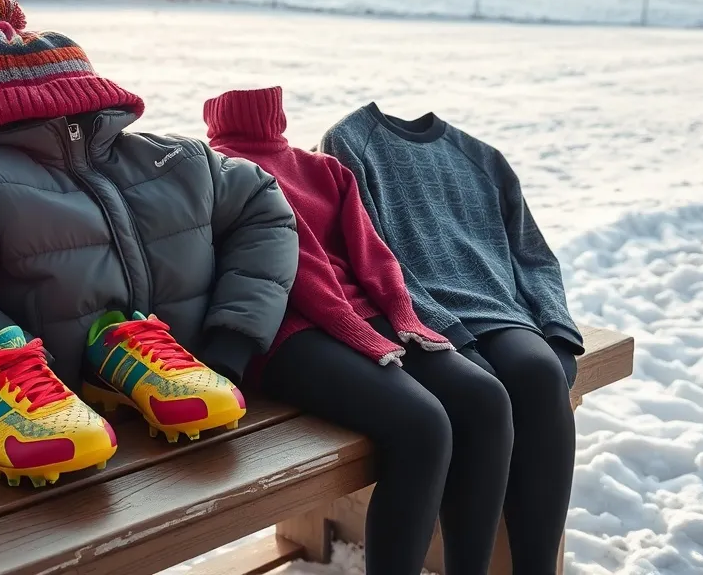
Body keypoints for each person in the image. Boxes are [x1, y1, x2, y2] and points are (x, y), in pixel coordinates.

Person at [0, 0, 299, 484]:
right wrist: (17, 367)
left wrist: (230, 342)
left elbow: (265, 210)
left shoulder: (179, 160)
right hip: (45, 416)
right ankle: (30, 388)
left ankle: (132, 361)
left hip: (194, 391)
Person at [204, 86, 514, 575]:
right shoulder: (216, 168)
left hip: (361, 317)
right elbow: (295, 266)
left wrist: (400, 314)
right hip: (285, 330)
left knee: (486, 399)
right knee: (424, 426)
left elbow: (372, 253)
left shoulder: (322, 169)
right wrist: (359, 329)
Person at [323, 103, 583, 575]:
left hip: (499, 310)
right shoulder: (350, 143)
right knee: (485, 398)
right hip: (415, 314)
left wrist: (558, 329)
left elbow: (533, 256)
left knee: (542, 373)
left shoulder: (482, 157)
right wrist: (451, 333)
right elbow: (377, 258)